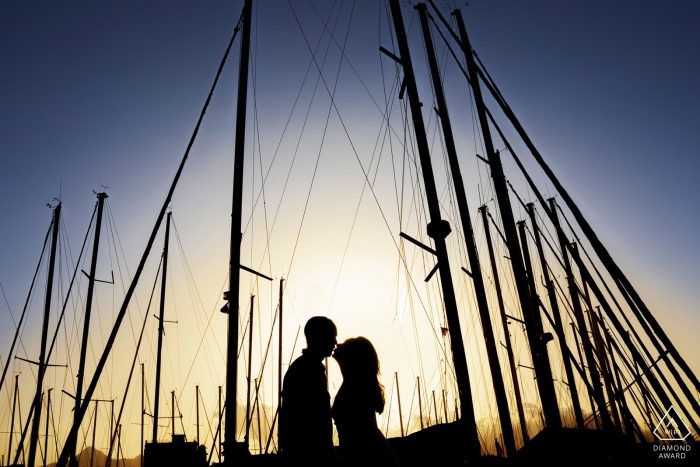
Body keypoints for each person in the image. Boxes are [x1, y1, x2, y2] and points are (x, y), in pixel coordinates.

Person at [331, 337, 399, 466]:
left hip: (371, 457)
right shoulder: (352, 384)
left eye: (345, 345)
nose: (338, 344)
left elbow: (357, 436)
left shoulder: (356, 388)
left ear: (354, 357)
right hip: (370, 454)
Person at [279, 316, 338, 465]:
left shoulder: (302, 367)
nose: (335, 343)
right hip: (311, 457)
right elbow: (317, 419)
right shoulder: (309, 370)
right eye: (332, 337)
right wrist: (329, 454)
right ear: (319, 338)